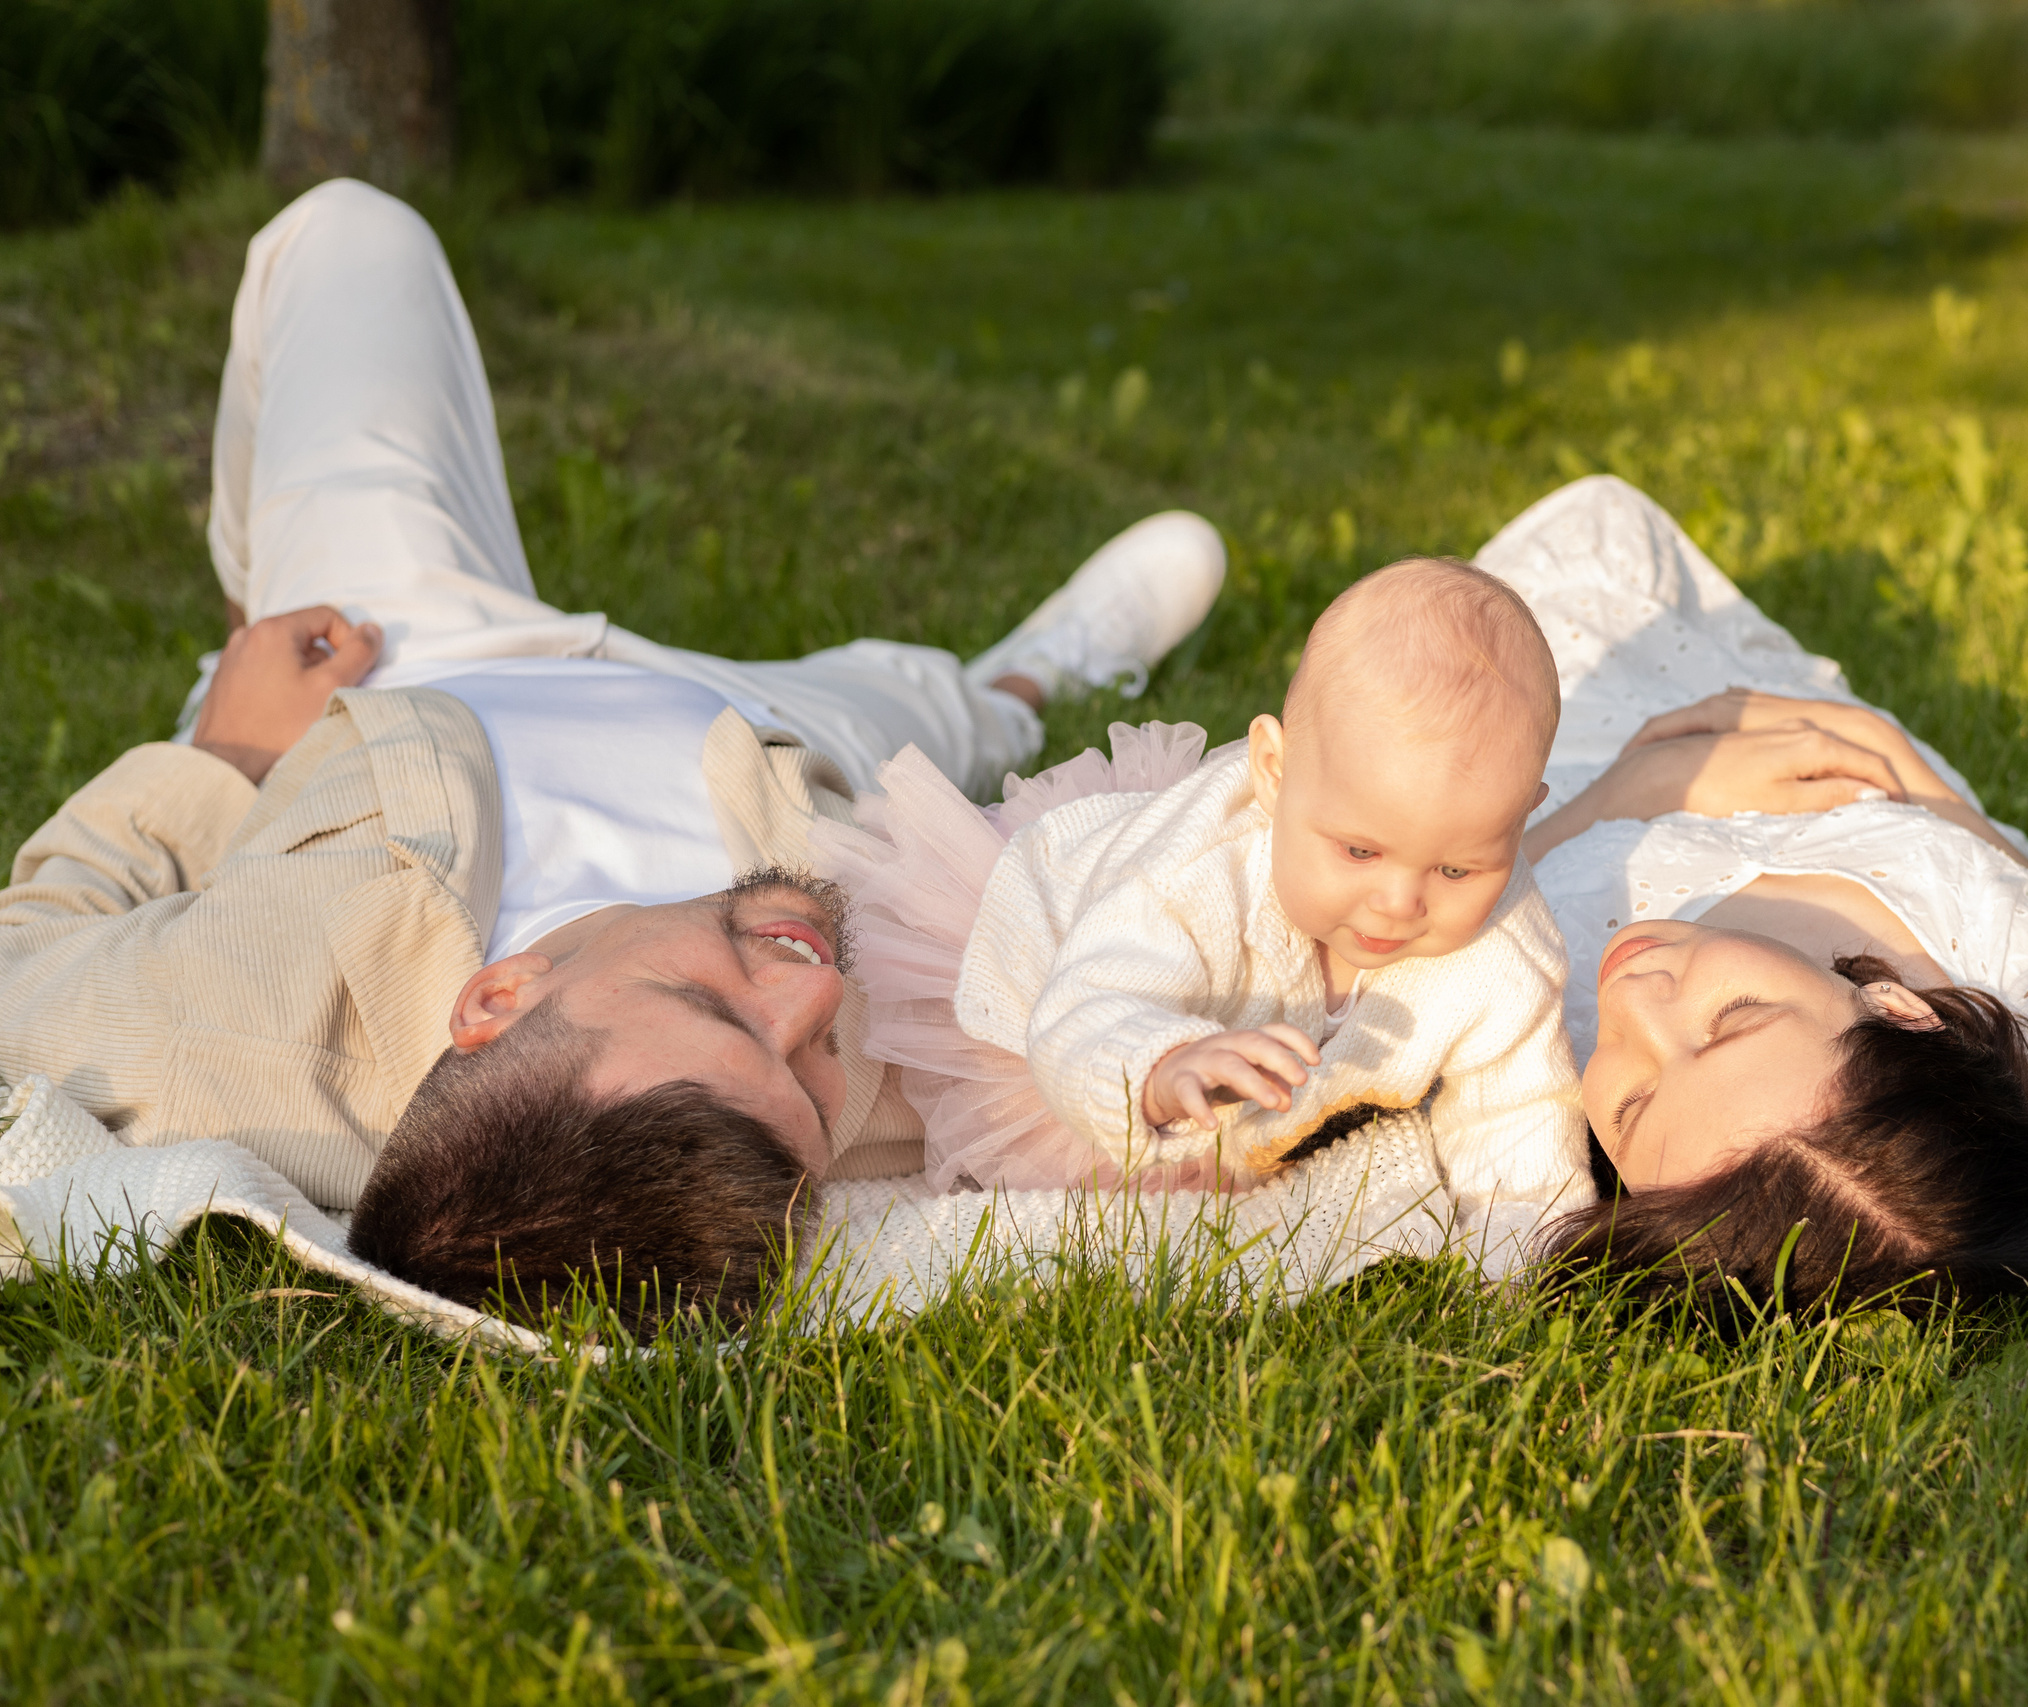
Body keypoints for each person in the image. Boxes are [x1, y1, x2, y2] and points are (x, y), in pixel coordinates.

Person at [0, 178, 1225, 1328]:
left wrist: (226, 755)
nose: (815, 991)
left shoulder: (208, 1040)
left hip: (406, 662)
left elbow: (26, 950)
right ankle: (1026, 680)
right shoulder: (863, 1080)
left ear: (497, 999)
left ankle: (248, 629)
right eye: (809, 1076)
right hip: (771, 745)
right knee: (927, 707)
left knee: (348, 231)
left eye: (712, 1004)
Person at [1463, 474, 2028, 1329]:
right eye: (1734, 1016)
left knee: (1463, 649)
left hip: (1578, 760)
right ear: (1898, 1007)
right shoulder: (2025, 969)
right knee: (1611, 535)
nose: (1638, 1001)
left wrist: (1619, 798)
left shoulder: (1532, 1007)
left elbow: (1422, 926)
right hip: (1809, 747)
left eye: (1632, 1108)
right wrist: (1924, 789)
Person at [812, 557, 1590, 1227]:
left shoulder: (1504, 950)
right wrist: (1156, 1066)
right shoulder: (1196, 878)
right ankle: (877, 737)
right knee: (864, 1093)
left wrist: (1527, 1250)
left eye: (1456, 870)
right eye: (1359, 850)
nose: (1398, 902)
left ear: (1522, 818)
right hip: (1043, 978)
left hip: (1216, 1073)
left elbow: (1517, 1109)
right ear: (1274, 774)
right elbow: (1084, 1003)